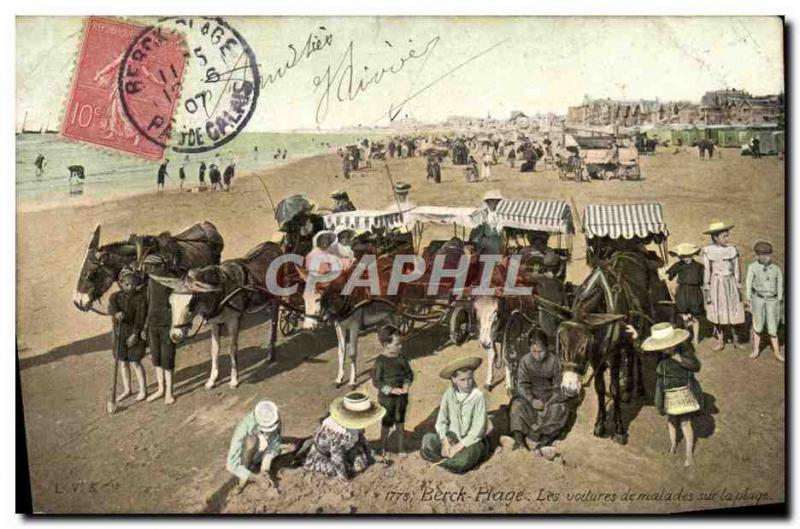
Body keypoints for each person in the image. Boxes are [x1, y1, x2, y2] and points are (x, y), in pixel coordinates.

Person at [641, 322, 703, 467]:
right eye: (663, 347)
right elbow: (642, 352)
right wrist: (637, 337)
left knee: (685, 422)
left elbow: (696, 366)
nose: (666, 349)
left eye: (668, 345)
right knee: (671, 421)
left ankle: (689, 454)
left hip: (684, 393)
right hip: (668, 393)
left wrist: (680, 359)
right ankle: (673, 443)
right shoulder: (659, 356)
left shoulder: (684, 351)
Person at [420, 356, 489, 474]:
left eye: (470, 379)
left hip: (471, 442)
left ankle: (448, 461)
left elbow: (478, 429)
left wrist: (459, 446)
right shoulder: (449, 394)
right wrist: (445, 442)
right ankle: (449, 459)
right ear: (454, 379)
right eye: (463, 380)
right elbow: (441, 421)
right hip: (453, 438)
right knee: (427, 440)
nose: (467, 383)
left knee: (464, 461)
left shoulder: (477, 396)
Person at [508, 329, 570, 459]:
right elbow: (522, 385)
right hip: (532, 401)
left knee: (561, 409)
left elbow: (559, 387)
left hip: (550, 401)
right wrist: (531, 400)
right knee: (516, 405)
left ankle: (544, 442)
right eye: (534, 351)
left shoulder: (554, 361)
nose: (537, 355)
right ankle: (520, 443)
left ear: (547, 348)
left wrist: (549, 402)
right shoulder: (525, 361)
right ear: (530, 349)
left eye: (541, 351)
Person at [303, 392, 385, 480]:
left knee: (361, 463)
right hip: (325, 457)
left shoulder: (353, 426)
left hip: (346, 451)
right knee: (339, 471)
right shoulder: (337, 432)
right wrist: (344, 479)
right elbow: (337, 459)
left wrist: (372, 457)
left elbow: (362, 440)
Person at [702, 222, 745, 351]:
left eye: (728, 236)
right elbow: (707, 270)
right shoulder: (708, 250)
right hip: (716, 284)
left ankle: (736, 340)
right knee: (718, 312)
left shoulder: (732, 249)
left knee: (733, 310)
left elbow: (736, 269)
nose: (727, 239)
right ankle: (721, 341)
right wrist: (708, 288)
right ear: (715, 237)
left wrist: (737, 285)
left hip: (730, 283)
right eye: (724, 236)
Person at [372, 325, 413, 455]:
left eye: (401, 344)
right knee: (386, 423)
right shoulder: (380, 361)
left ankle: (401, 448)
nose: (401, 347)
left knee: (400, 423)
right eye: (397, 344)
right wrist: (390, 390)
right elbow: (376, 381)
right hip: (387, 399)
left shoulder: (401, 358)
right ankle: (382, 447)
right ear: (386, 345)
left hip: (401, 397)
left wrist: (406, 385)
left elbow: (409, 374)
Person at [108, 267, 148, 403]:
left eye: (132, 283)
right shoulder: (115, 297)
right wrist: (115, 313)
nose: (129, 286)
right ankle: (127, 389)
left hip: (132, 334)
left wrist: (135, 335)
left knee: (135, 362)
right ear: (120, 283)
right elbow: (111, 308)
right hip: (119, 333)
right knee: (123, 362)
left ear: (136, 283)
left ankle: (143, 389)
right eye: (126, 284)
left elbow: (140, 319)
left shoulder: (140, 299)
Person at [226, 400, 282, 494]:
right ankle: (242, 479)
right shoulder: (244, 427)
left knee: (288, 446)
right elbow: (231, 465)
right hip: (245, 457)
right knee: (251, 441)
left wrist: (265, 470)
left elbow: (274, 445)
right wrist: (255, 478)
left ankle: (259, 468)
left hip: (261, 454)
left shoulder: (274, 417)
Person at [143, 255, 177, 405]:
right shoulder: (150, 281)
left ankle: (169, 392)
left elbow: (178, 303)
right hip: (152, 324)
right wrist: (145, 325)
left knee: (167, 359)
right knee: (156, 359)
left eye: (149, 267)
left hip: (167, 324)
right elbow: (148, 303)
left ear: (158, 266)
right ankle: (161, 389)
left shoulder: (170, 280)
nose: (146, 269)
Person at [745, 241, 784, 362]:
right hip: (758, 299)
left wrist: (778, 300)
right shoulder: (753, 267)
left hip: (772, 300)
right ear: (757, 256)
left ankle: (777, 352)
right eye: (762, 255)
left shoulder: (776, 269)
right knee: (758, 324)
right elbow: (748, 283)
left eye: (768, 255)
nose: (766, 258)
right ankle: (756, 349)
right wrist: (749, 298)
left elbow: (780, 286)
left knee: (773, 326)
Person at [666, 243, 705, 347]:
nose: (685, 258)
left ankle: (696, 337)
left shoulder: (699, 267)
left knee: (695, 317)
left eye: (688, 255)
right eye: (682, 256)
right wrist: (667, 278)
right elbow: (668, 276)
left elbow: (702, 281)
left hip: (695, 292)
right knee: (683, 316)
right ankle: (687, 336)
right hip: (682, 292)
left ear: (692, 255)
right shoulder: (678, 265)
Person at [468, 190, 503, 255]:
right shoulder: (482, 215)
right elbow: (475, 235)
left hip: (498, 247)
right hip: (486, 249)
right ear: (487, 202)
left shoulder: (501, 215)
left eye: (497, 201)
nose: (495, 203)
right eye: (492, 200)